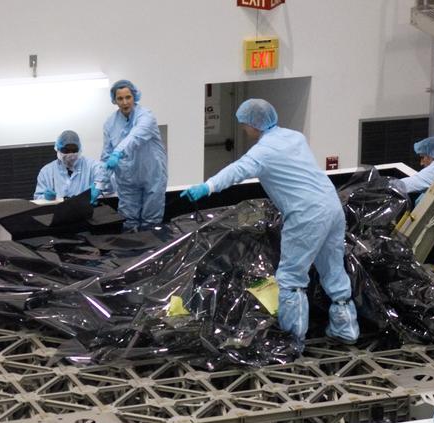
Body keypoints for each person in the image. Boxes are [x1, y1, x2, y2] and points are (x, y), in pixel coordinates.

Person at [180, 99, 359, 351]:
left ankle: (293, 340)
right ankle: (346, 328)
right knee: (332, 267)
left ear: (252, 125)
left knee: (291, 278)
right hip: (331, 206)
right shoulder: (295, 137)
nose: (244, 130)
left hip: (306, 215)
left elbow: (237, 170)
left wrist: (207, 187)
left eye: (244, 125)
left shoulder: (262, 152)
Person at [101, 79, 168, 231]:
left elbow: (135, 137)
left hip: (152, 176)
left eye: (128, 97)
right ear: (114, 100)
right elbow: (106, 156)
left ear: (134, 97)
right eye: (120, 98)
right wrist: (99, 184)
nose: (125, 102)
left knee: (151, 222)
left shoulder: (146, 117)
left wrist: (118, 152)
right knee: (127, 221)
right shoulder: (110, 124)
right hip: (126, 179)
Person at [33, 130, 110, 202]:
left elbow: (108, 183)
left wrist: (99, 185)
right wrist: (46, 198)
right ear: (58, 149)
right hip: (57, 212)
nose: (70, 154)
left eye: (74, 150)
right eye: (66, 150)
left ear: (79, 149)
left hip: (86, 211)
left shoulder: (92, 166)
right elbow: (37, 199)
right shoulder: (46, 171)